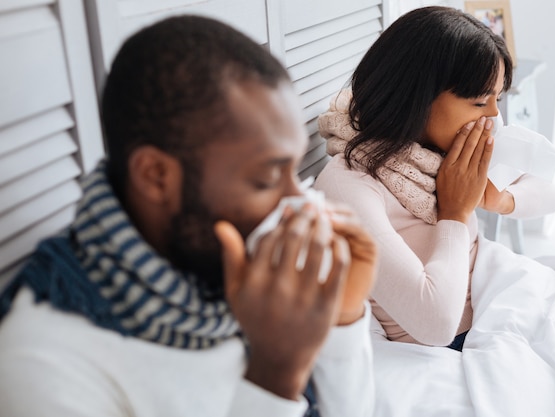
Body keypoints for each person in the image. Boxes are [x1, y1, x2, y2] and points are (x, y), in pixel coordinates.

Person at [0, 15, 378, 417]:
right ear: (156, 176)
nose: (298, 201)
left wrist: (343, 321)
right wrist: (275, 374)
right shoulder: (41, 366)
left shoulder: (227, 272)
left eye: (294, 168)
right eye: (268, 176)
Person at [314, 6, 555, 350]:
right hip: (453, 344)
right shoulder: (348, 186)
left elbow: (551, 194)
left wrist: (496, 199)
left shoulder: (444, 148)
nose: (493, 114)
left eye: (497, 98)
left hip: (499, 302)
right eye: (479, 101)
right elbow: (437, 325)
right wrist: (455, 215)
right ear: (418, 97)